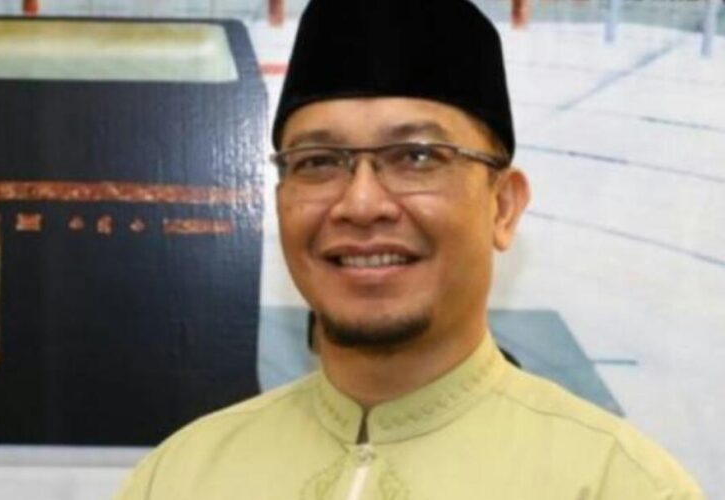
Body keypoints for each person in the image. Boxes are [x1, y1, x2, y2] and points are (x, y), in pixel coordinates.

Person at [115, 0, 703, 498]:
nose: (361, 203)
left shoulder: (617, 484)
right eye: (318, 162)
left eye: (417, 157)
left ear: (502, 206)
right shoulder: (180, 478)